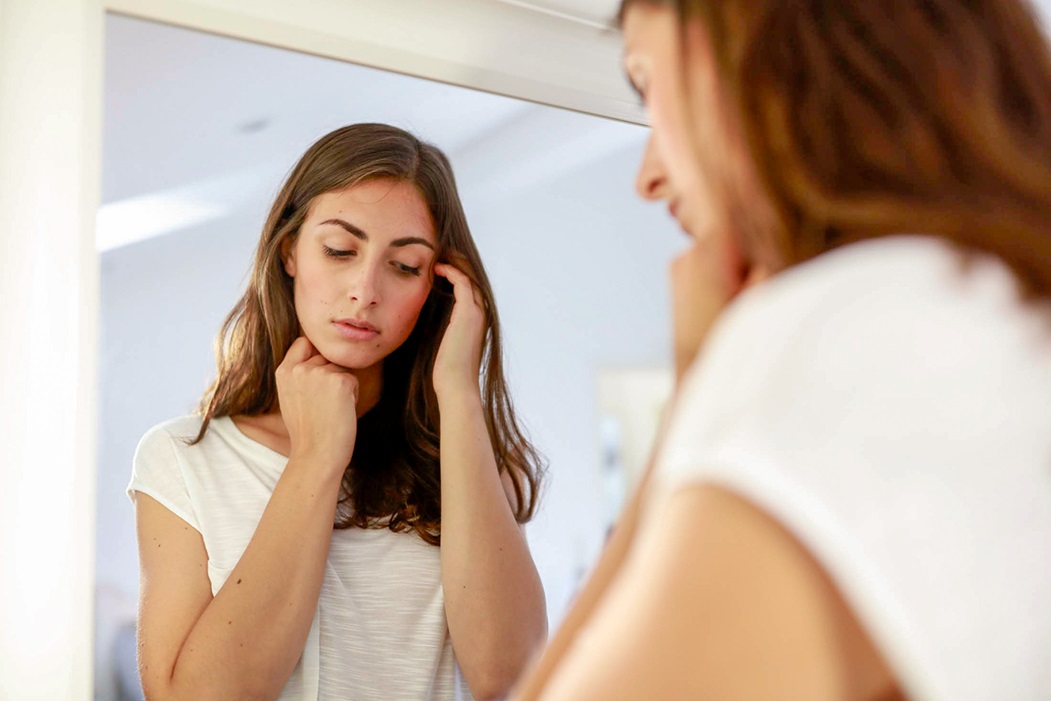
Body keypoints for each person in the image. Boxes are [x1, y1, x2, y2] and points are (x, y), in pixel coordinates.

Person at [514, 1, 1051, 699]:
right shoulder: (1000, 315)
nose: (645, 176)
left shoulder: (835, 335)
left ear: (756, 52)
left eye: (646, 84)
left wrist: (698, 389)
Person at [128, 123, 548, 701]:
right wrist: (318, 456)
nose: (365, 290)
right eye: (340, 251)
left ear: (439, 287)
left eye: (404, 266)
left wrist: (457, 390)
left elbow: (511, 678)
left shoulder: (463, 456)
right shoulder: (182, 460)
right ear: (290, 253)